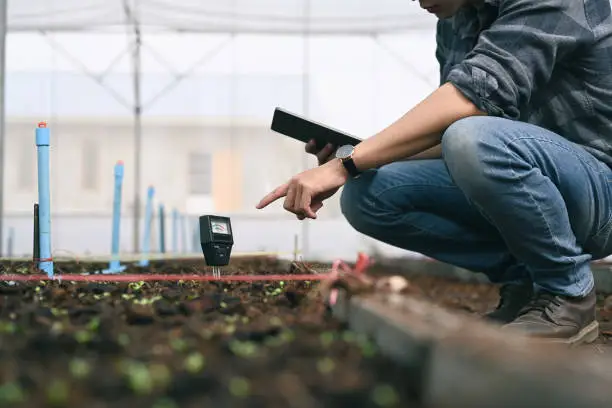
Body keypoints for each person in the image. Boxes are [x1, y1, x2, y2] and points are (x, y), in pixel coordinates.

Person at [256, 0, 612, 346]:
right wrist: (355, 160)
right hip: (526, 179)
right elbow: (448, 133)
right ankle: (525, 282)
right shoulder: (454, 21)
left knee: (471, 137)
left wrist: (347, 163)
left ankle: (567, 293)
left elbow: (471, 105)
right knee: (368, 195)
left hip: (599, 192)